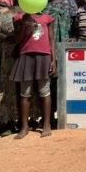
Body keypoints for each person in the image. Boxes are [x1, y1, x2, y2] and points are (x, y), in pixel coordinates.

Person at [12, 8, 55, 139]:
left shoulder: (47, 18)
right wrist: (24, 24)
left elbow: (51, 39)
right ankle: (24, 126)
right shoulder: (19, 18)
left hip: (44, 57)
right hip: (26, 56)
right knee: (25, 93)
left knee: (45, 91)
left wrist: (53, 59)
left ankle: (46, 124)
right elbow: (18, 40)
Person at [0, 0, 26, 136]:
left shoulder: (32, 11)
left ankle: (27, 121)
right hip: (9, 54)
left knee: (26, 87)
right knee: (9, 87)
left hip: (27, 53)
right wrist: (12, 39)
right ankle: (9, 122)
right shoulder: (4, 12)